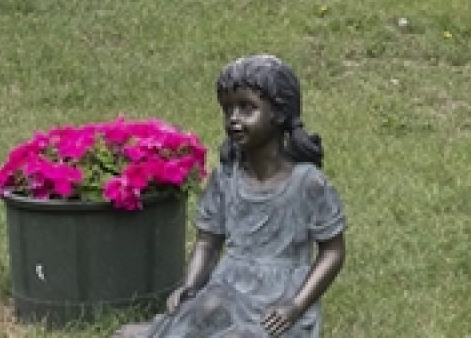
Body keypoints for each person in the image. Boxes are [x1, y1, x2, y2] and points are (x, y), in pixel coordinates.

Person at [116, 55, 347, 338]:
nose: (234, 119)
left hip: (278, 301)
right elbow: (207, 243)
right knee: (204, 310)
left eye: (247, 108)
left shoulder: (307, 183)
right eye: (228, 110)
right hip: (227, 287)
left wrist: (295, 306)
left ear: (279, 113)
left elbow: (332, 252)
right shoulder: (226, 178)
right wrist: (190, 286)